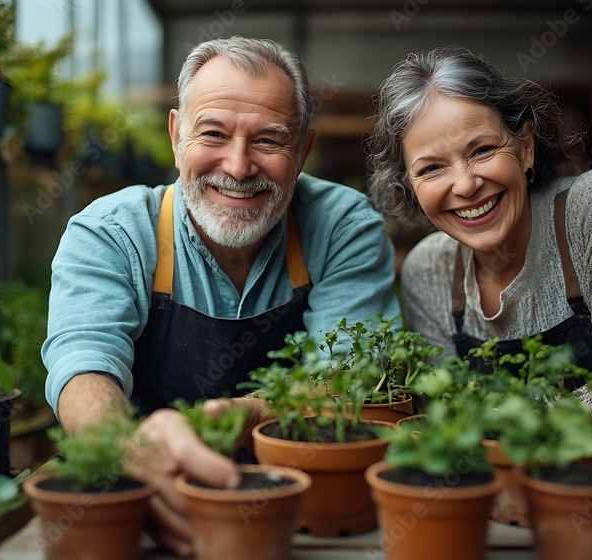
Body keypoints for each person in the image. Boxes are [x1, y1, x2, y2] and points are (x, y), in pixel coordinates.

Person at [42, 36, 401, 555]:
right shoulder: (111, 232)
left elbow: (348, 375)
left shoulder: (343, 227)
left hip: (299, 506)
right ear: (175, 135)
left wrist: (250, 414)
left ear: (302, 151)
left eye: (269, 141)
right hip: (150, 499)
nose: (237, 166)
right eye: (213, 133)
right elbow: (82, 364)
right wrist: (123, 448)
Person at [367, 47, 592, 409]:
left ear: (525, 147)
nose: (465, 185)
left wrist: (509, 427)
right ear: (411, 186)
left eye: (482, 150)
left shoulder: (591, 207)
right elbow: (448, 416)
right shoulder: (428, 271)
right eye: (431, 168)